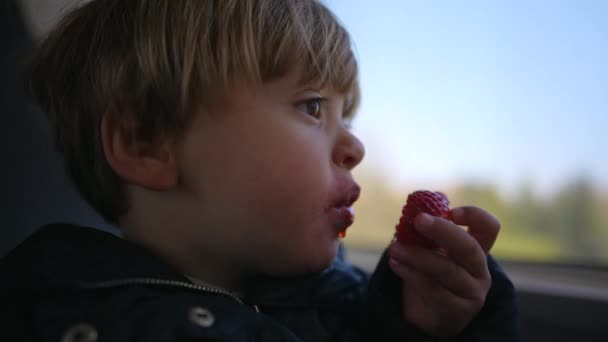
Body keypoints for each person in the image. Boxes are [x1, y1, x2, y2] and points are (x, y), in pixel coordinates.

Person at [0, 0, 520, 341]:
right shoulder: (68, 318)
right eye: (313, 106)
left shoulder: (347, 303)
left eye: (349, 115)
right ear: (147, 145)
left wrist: (434, 326)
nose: (355, 146)